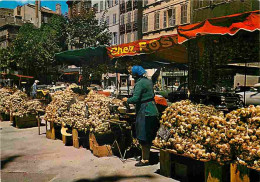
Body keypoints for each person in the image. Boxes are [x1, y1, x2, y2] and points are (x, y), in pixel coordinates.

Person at [122, 65, 159, 167]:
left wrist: (126, 100)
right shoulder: (148, 81)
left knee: (143, 136)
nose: (132, 76)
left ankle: (145, 160)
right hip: (152, 109)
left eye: (132, 74)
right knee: (149, 135)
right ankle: (146, 156)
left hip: (145, 111)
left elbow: (136, 98)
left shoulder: (140, 83)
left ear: (135, 75)